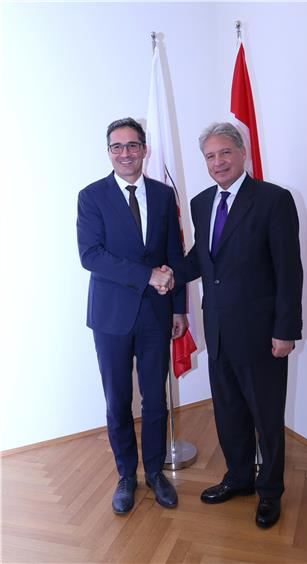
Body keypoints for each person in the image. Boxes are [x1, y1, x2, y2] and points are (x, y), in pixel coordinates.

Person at [174, 122, 303, 528]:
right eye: (210, 157)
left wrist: (286, 329)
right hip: (219, 330)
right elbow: (202, 259)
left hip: (263, 334)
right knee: (228, 411)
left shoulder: (273, 200)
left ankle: (270, 492)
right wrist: (166, 274)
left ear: (241, 153)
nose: (218, 162)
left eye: (224, 153)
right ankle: (239, 478)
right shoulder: (200, 202)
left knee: (266, 417)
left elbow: (289, 271)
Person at [76, 117, 187, 514]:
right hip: (111, 318)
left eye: (132, 145)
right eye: (117, 147)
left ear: (145, 149)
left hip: (157, 315)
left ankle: (155, 472)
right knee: (118, 400)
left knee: (155, 398)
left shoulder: (161, 195)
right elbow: (91, 256)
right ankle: (127, 475)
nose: (125, 153)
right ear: (109, 152)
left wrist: (179, 308)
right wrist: (147, 276)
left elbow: (174, 255)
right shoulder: (91, 197)